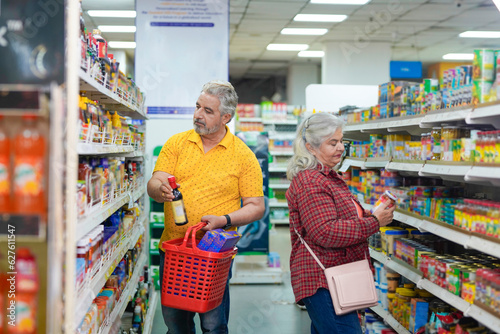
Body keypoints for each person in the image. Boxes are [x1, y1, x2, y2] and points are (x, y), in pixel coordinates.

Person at [147, 80, 265, 334]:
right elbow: (155, 182)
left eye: (207, 111)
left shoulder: (243, 156)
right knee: (176, 324)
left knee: (213, 325)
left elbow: (256, 206)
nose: (197, 115)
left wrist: (223, 219)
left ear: (226, 117)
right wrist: (159, 189)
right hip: (175, 248)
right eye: (198, 107)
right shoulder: (176, 143)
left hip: (213, 254)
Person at [285, 113, 395, 334]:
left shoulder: (327, 176)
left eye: (341, 141)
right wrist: (374, 222)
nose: (340, 147)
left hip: (334, 276)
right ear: (311, 147)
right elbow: (326, 232)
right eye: (332, 143)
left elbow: (339, 216)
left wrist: (369, 213)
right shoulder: (311, 181)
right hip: (322, 279)